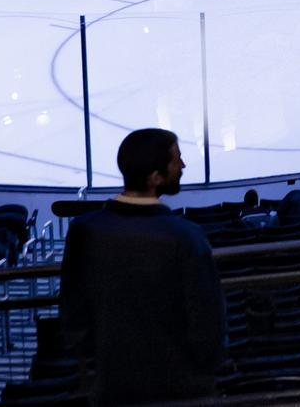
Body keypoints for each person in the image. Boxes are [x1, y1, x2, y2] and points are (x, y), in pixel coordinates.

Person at [58, 129, 225, 404]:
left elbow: (73, 311)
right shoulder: (185, 236)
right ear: (155, 177)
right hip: (181, 390)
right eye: (176, 160)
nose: (182, 166)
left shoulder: (84, 231)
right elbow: (208, 324)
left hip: (112, 386)